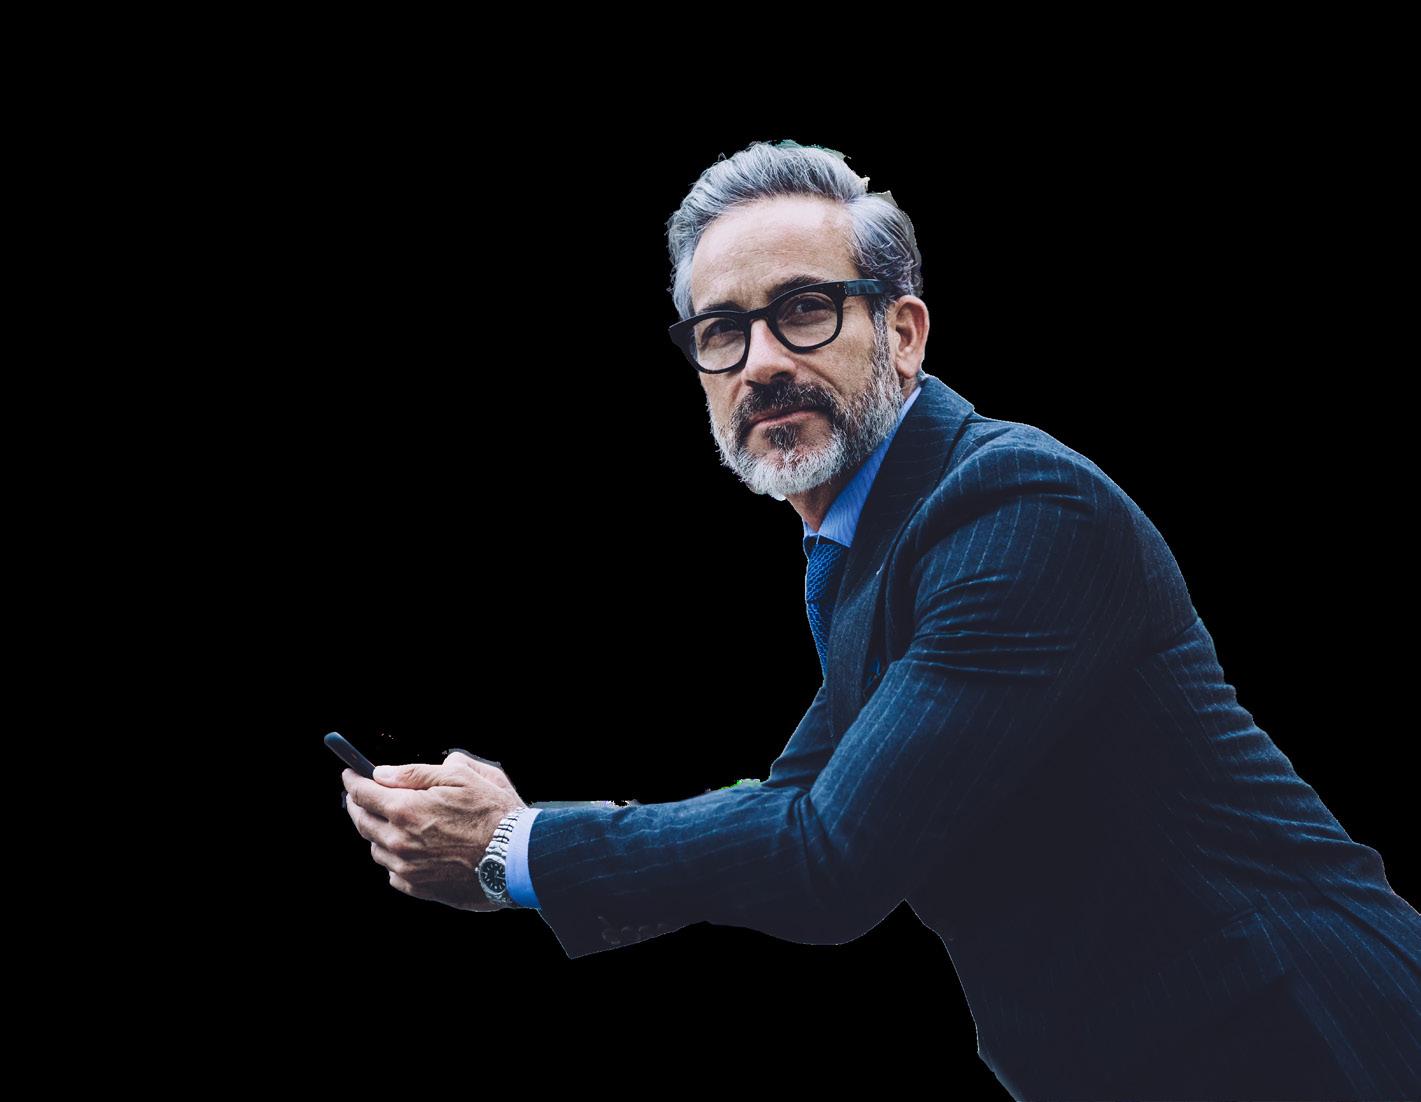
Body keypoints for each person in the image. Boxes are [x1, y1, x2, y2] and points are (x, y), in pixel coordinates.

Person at [341, 139, 1421, 1099]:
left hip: (1303, 1040)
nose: (761, 361)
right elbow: (791, 804)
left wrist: (520, 846)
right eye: (722, 330)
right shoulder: (869, 541)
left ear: (902, 333)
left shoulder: (1016, 506)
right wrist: (517, 853)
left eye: (803, 310)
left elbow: (834, 855)